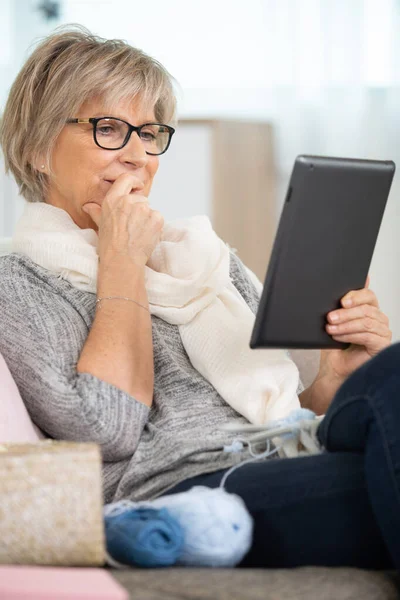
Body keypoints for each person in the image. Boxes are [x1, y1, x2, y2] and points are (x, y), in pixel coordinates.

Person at [0, 24, 398, 571]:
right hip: (191, 493)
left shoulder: (201, 256)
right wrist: (121, 263)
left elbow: (286, 407)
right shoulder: (19, 283)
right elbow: (107, 429)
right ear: (37, 149)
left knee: (392, 372)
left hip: (290, 446)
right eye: (110, 129)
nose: (138, 155)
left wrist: (337, 372)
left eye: (150, 132)